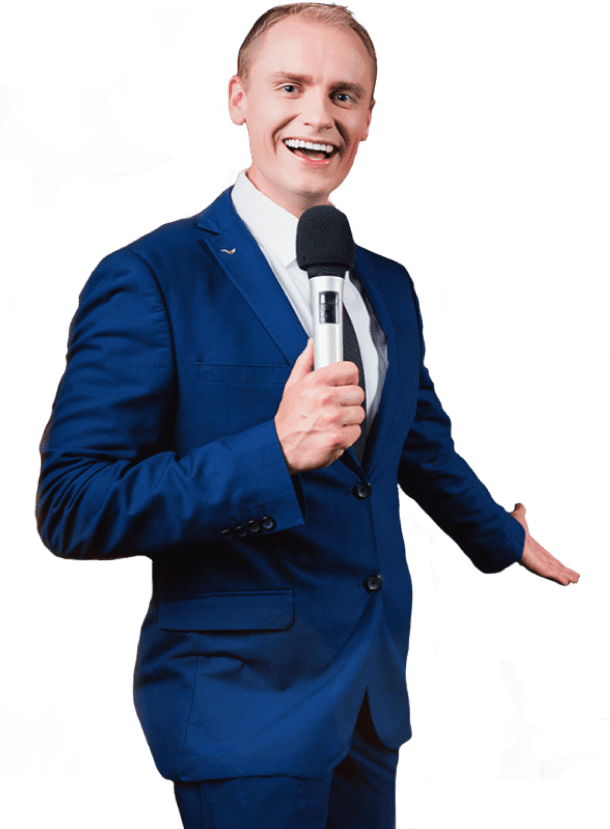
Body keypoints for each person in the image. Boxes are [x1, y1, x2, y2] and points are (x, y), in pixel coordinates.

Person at [34, 3, 580, 828]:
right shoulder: (150, 275)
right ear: (238, 98)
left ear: (369, 118)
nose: (318, 116)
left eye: (343, 94)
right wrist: (274, 451)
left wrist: (501, 535)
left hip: (370, 701)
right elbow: (73, 503)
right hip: (241, 710)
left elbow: (417, 444)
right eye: (289, 86)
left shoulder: (387, 282)